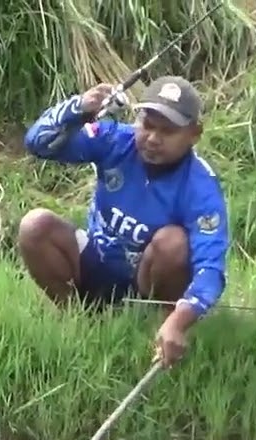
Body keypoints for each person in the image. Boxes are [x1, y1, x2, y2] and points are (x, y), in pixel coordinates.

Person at [17, 75, 231, 368]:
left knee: (175, 243)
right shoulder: (114, 140)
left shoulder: (202, 186)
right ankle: (77, 323)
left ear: (195, 134)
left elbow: (212, 270)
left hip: (145, 283)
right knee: (35, 226)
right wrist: (78, 108)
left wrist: (183, 318)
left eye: (167, 131)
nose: (153, 138)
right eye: (148, 125)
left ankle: (162, 331)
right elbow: (38, 143)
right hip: (96, 259)